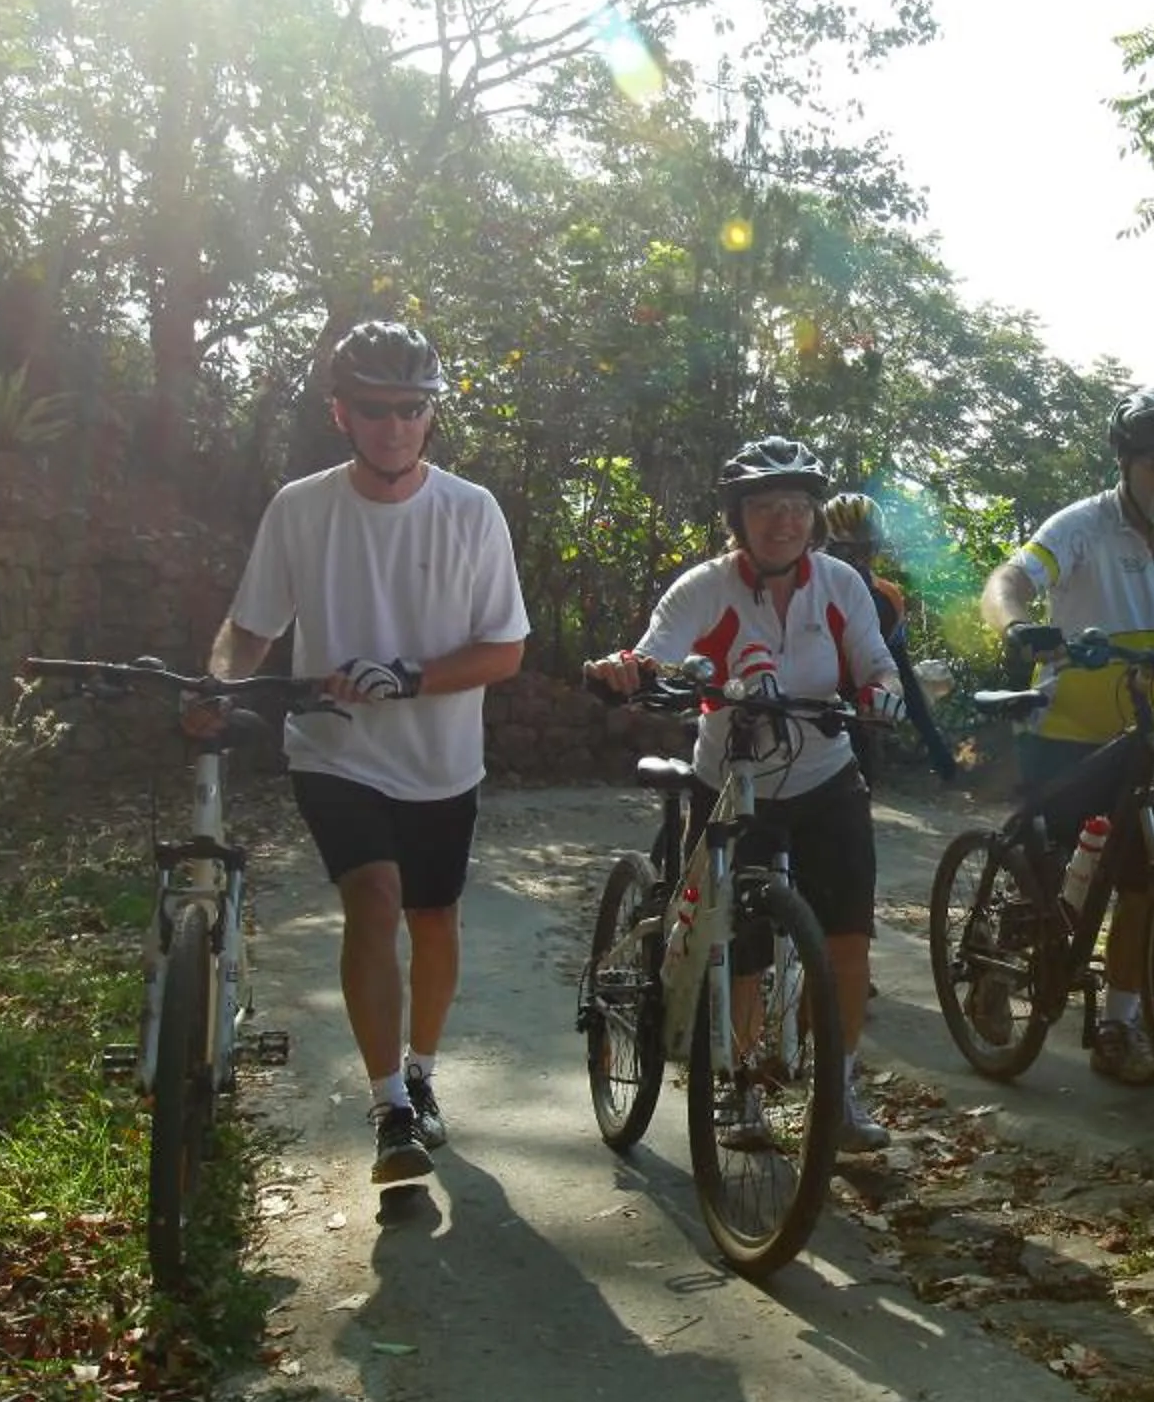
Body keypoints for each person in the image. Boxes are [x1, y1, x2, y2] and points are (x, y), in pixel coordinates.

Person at [201, 319, 531, 1185]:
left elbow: (505, 651)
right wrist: (217, 686)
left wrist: (409, 677)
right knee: (374, 899)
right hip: (334, 750)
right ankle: (388, 1107)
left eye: (412, 410)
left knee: (433, 918)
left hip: (442, 759)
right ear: (340, 413)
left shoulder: (472, 511)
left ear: (430, 416)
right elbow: (250, 630)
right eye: (376, 409)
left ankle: (422, 1073)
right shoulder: (300, 508)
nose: (395, 427)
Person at [583, 437, 908, 1153]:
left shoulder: (840, 587)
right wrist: (629, 669)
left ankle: (840, 1088)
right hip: (734, 779)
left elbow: (876, 665)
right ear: (739, 518)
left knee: (848, 936)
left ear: (815, 518)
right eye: (765, 508)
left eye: (797, 507)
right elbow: (659, 647)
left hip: (826, 773)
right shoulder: (706, 585)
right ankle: (740, 1089)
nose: (783, 522)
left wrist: (882, 695)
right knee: (743, 943)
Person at [979, 389, 1154, 1086]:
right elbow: (1008, 581)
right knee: (1049, 884)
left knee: (1144, 885)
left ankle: (1119, 1023)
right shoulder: (1083, 525)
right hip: (1064, 730)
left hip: (1144, 728)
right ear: (1126, 462)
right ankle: (996, 963)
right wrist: (1016, 624)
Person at [818, 489, 956, 785]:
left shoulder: (889, 597)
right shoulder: (801, 586)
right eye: (842, 551)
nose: (854, 562)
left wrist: (935, 744)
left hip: (856, 710)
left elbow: (900, 669)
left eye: (862, 551)